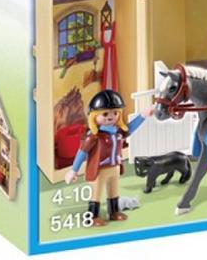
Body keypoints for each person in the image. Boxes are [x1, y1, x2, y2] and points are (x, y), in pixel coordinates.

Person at [65, 90, 152, 226]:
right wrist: (73, 170)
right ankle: (92, 217)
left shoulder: (118, 132)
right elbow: (82, 152)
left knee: (113, 191)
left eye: (115, 113)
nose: (111, 117)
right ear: (94, 116)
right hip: (99, 170)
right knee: (96, 194)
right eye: (105, 114)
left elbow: (130, 128)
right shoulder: (93, 136)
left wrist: (142, 116)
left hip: (114, 168)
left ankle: (113, 212)